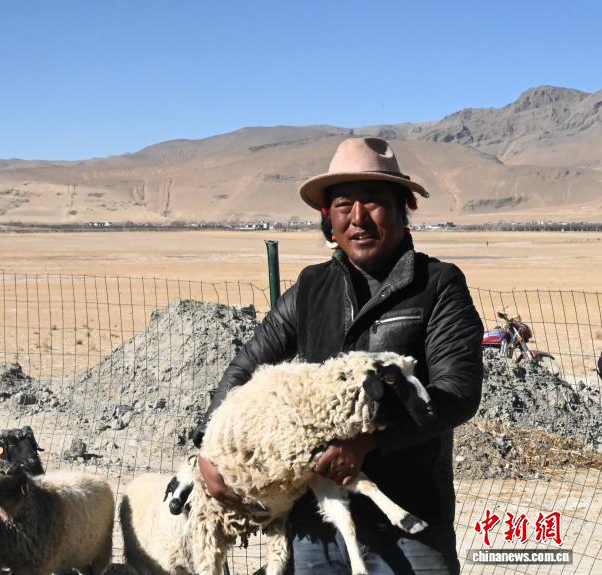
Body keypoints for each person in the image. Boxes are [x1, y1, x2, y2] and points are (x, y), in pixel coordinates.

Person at [193, 137, 484, 574]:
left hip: (410, 517)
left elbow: (457, 392)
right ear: (327, 218)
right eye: (344, 205)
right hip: (318, 521)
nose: (358, 218)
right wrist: (208, 447)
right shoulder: (311, 287)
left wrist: (368, 444)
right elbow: (245, 367)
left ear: (404, 209)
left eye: (374, 201)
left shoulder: (437, 285)